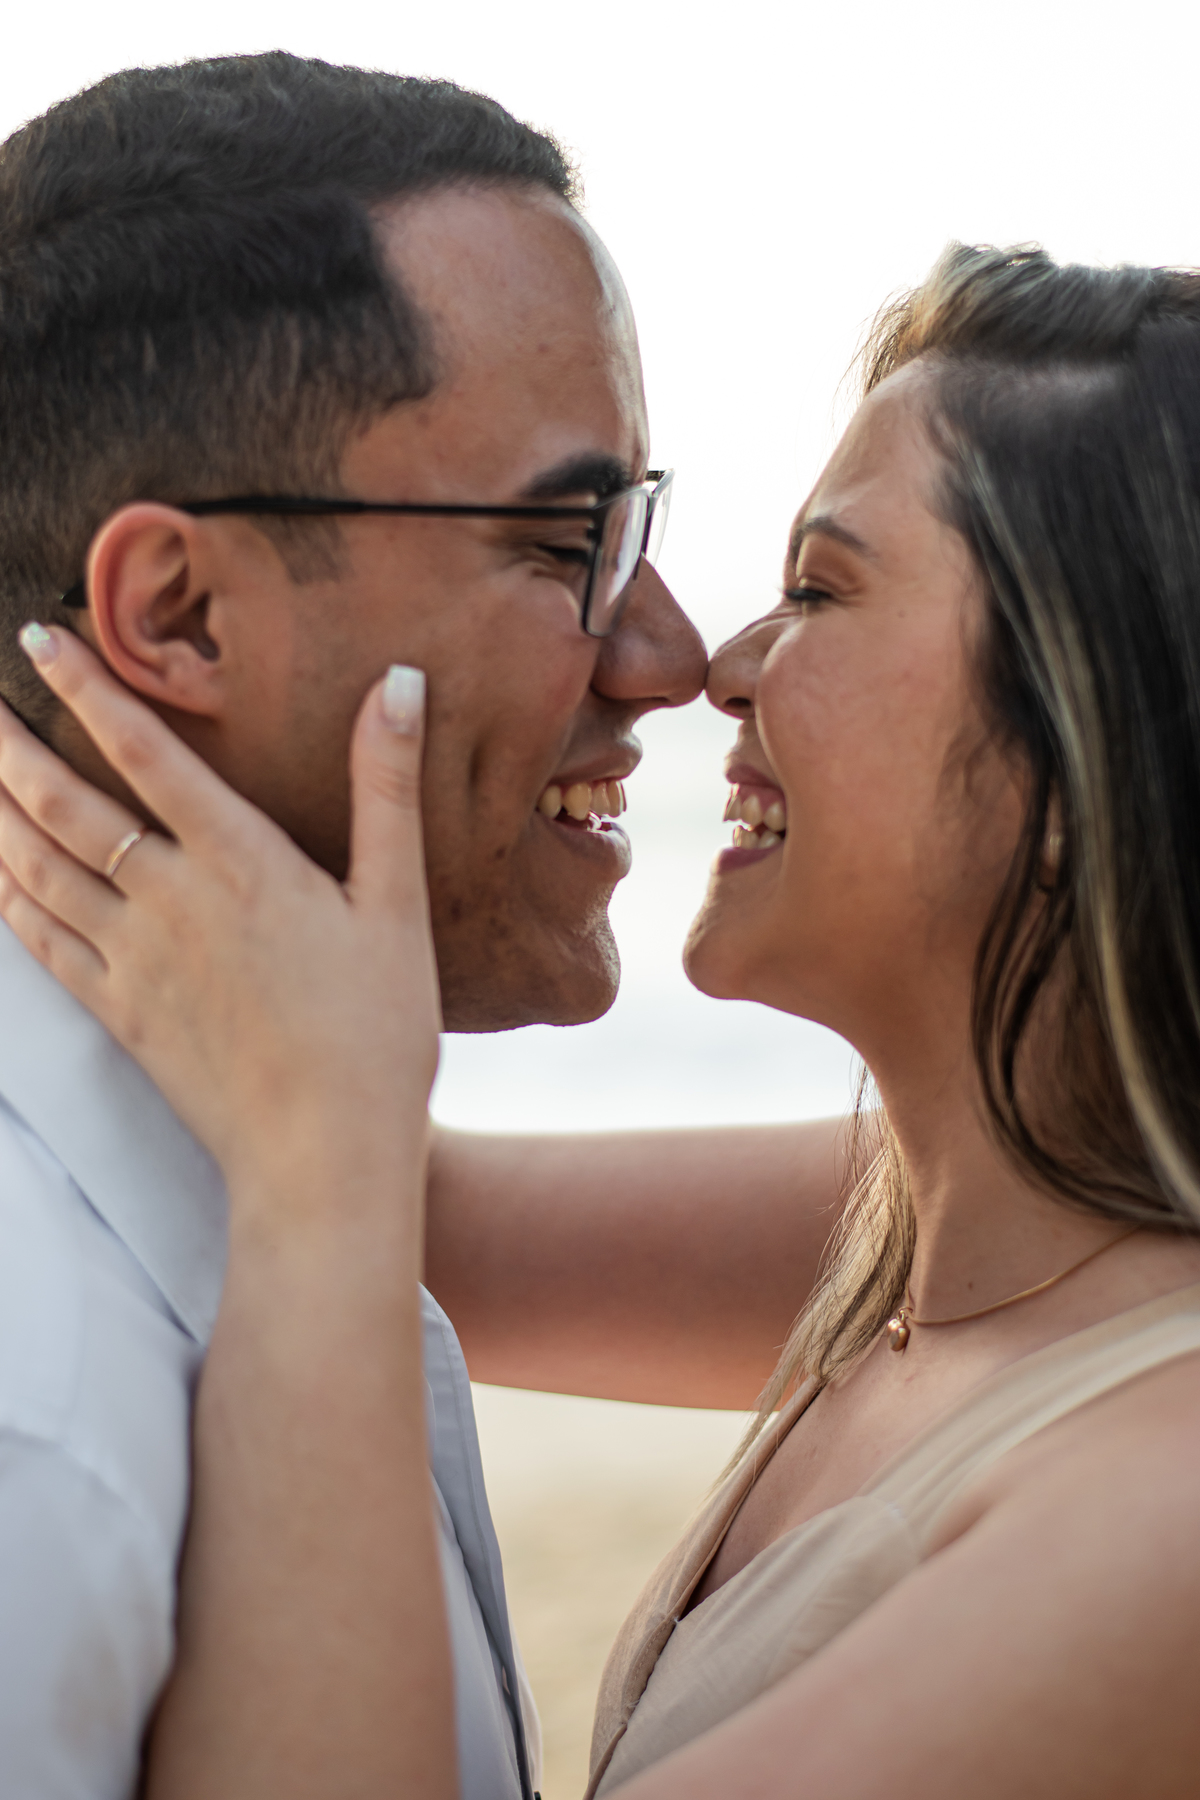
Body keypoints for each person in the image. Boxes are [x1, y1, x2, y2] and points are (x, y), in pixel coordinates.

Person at [6, 240, 1200, 1799]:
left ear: (1090, 750)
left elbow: (340, 1188)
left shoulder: (1161, 1510)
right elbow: (386, 1191)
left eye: (820, 589)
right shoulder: (951, 1230)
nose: (718, 666)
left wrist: (324, 1163)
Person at [0, 50, 849, 1799]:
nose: (675, 657)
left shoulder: (265, 1159)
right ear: (182, 613)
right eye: (566, 541)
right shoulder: (41, 1417)